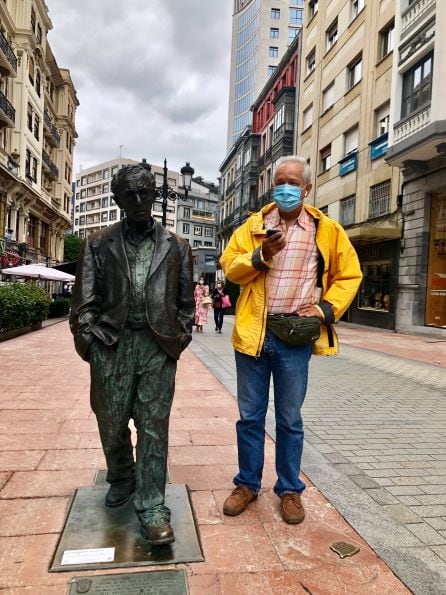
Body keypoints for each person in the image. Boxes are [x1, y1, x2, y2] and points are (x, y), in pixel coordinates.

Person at [220, 156, 362, 524]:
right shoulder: (253, 226)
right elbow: (230, 269)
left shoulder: (325, 229)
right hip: (253, 332)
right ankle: (247, 485)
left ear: (306, 189)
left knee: (290, 419)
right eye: (280, 181)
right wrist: (260, 255)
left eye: (293, 182)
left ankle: (289, 489)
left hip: (294, 338)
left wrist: (326, 310)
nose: (285, 187)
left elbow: (349, 274)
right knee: (250, 417)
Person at [69, 162, 194, 546]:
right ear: (117, 199)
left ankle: (153, 506)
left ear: (155, 194)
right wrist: (91, 342)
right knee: (111, 421)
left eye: (145, 192)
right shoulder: (97, 244)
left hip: (157, 346)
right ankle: (122, 474)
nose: (139, 201)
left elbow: (186, 304)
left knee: (154, 426)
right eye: (130, 195)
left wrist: (178, 338)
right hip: (112, 344)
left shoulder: (178, 246)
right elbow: (83, 303)